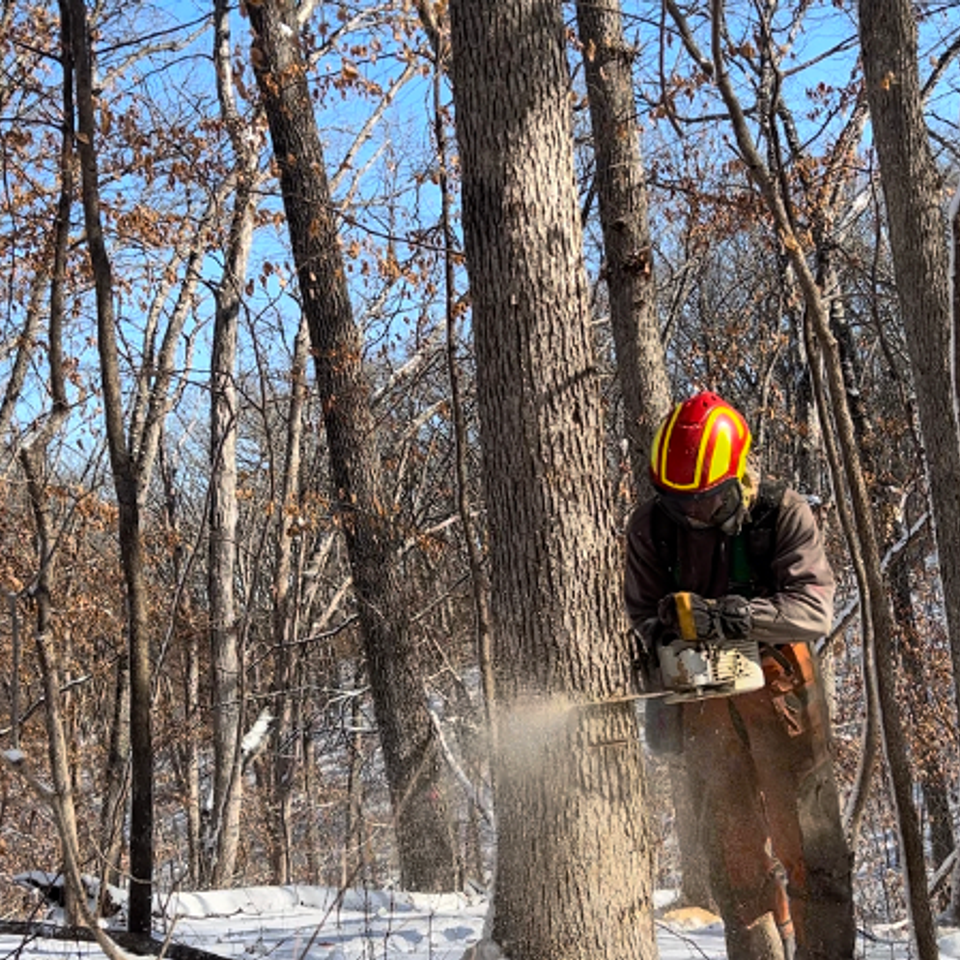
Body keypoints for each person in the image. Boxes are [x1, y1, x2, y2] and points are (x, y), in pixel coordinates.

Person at [624, 391, 855, 960]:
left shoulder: (781, 512)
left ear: (736, 476)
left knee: (812, 847)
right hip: (702, 700)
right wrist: (664, 639)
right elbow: (641, 607)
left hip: (781, 689)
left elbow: (814, 610)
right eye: (680, 502)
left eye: (703, 501)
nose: (692, 514)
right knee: (735, 856)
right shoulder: (653, 525)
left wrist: (733, 617)